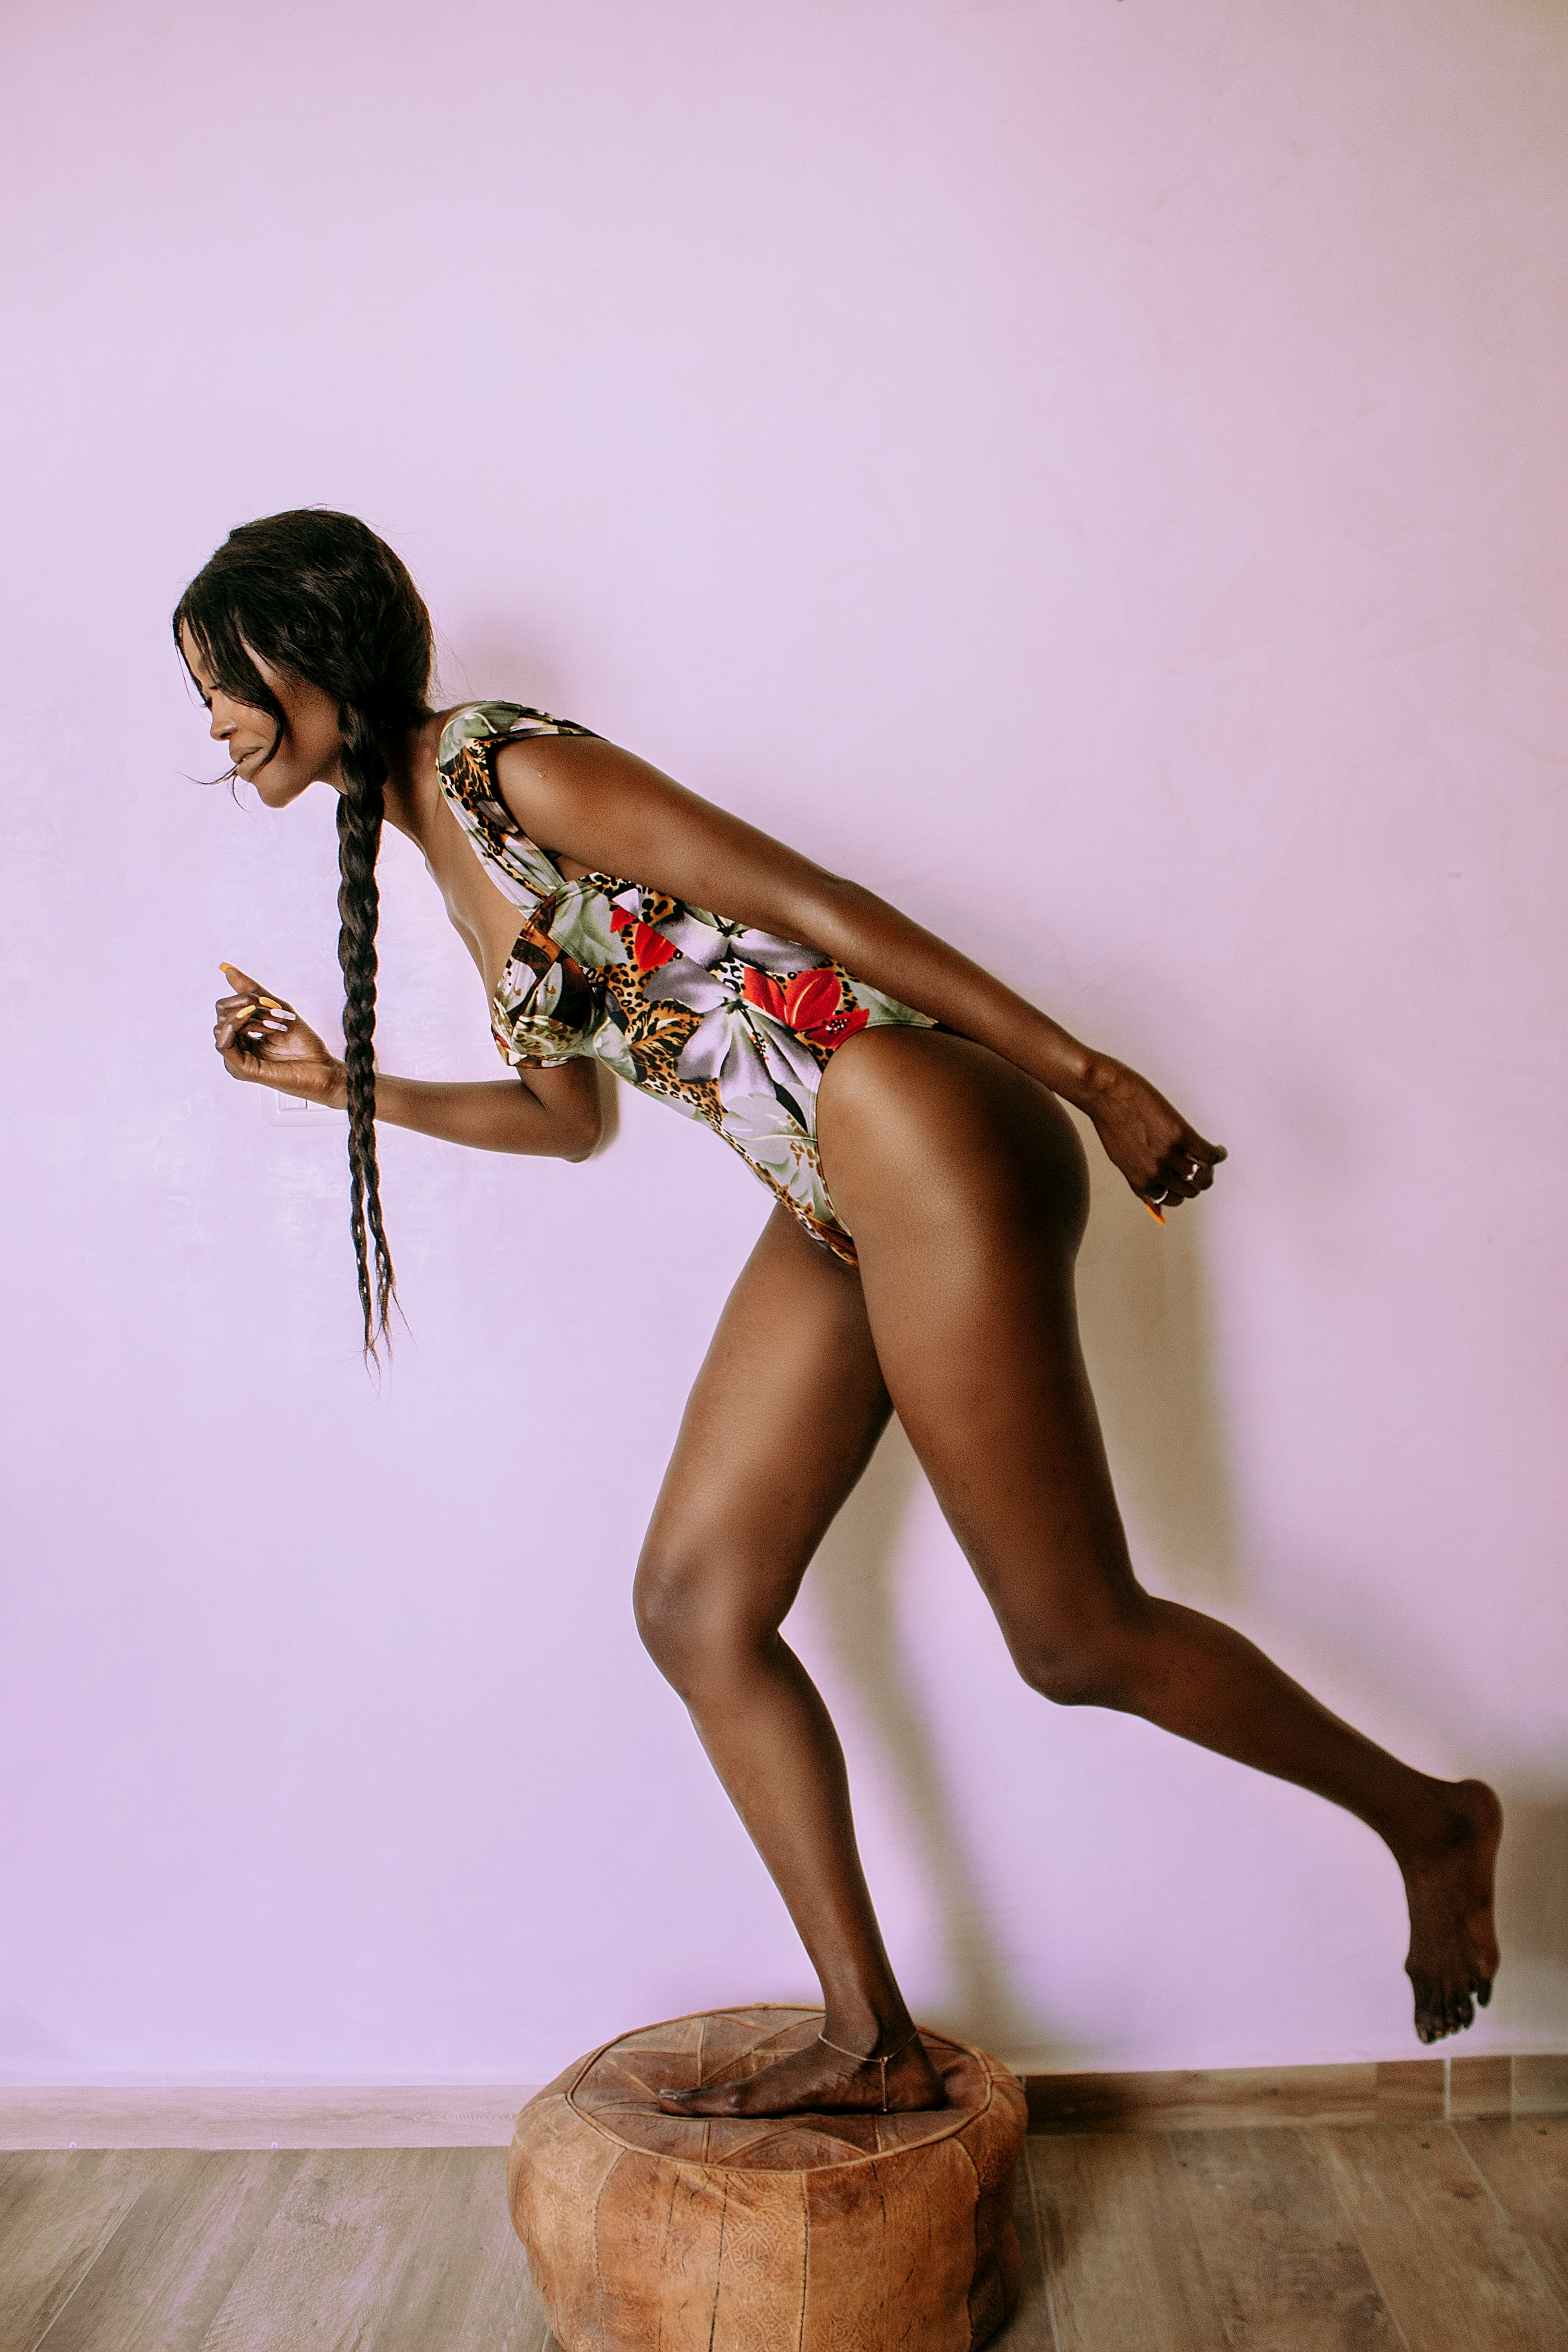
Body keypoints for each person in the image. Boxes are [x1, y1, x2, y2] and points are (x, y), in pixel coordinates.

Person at [178, 509, 1500, 2117]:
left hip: (914, 1122)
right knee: (695, 1601)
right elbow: (569, 1120)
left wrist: (1086, 1075)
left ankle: (1431, 1821)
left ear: (311, 656)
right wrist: (336, 1089)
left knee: (1074, 1638)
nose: (216, 722)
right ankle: (868, 2032)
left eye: (222, 681)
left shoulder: (505, 766)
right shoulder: (439, 859)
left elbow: (824, 904)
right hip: (836, 1190)